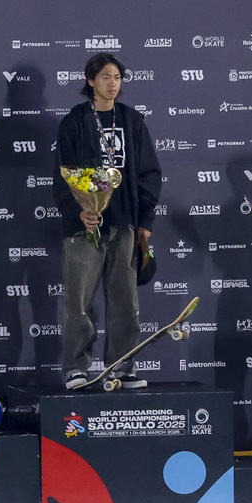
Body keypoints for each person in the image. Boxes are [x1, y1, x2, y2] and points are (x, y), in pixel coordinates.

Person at [52, 53, 162, 390]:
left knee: (125, 300)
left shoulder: (131, 120)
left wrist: (144, 220)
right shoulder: (74, 122)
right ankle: (76, 366)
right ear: (90, 81)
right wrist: (79, 212)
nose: (112, 84)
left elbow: (149, 173)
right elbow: (62, 176)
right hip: (83, 226)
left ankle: (121, 367)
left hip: (124, 223)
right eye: (105, 78)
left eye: (117, 78)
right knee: (79, 301)